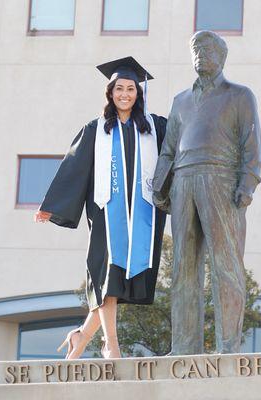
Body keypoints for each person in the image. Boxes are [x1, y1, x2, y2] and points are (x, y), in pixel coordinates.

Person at [35, 57, 167, 359]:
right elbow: (74, 166)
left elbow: (176, 150)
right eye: (119, 88)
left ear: (138, 93)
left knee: (119, 281)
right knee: (109, 276)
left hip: (142, 215)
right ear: (110, 93)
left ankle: (80, 338)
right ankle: (111, 345)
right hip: (107, 213)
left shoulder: (154, 127)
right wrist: (51, 206)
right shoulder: (96, 130)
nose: (125, 94)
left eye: (131, 89)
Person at [153, 31, 261, 355]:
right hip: (184, 181)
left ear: (221, 55)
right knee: (183, 267)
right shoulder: (180, 101)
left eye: (207, 47)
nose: (200, 52)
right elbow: (168, 150)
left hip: (221, 180)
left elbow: (251, 143)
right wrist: (160, 187)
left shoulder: (239, 95)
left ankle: (228, 346)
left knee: (225, 265)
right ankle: (184, 345)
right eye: (195, 48)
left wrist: (247, 183)